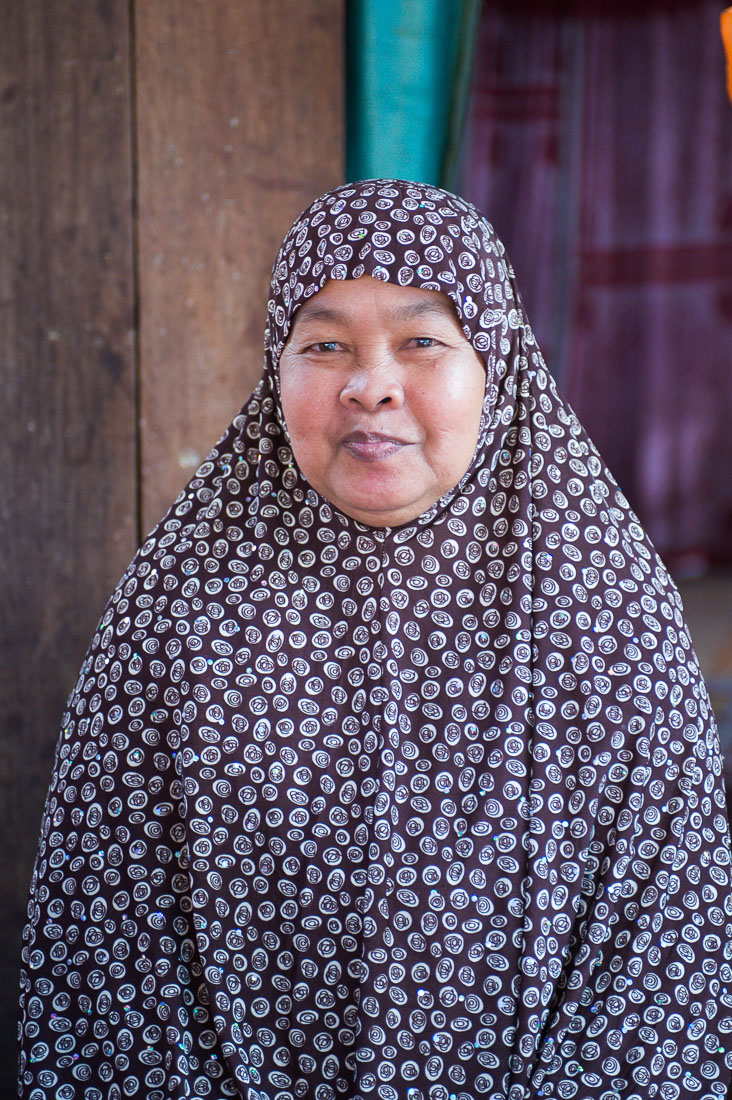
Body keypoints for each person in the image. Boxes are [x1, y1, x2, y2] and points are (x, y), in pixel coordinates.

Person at [17, 179, 732, 1100]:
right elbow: (101, 967)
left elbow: (661, 976)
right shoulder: (173, 619)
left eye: (422, 340)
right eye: (323, 345)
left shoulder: (610, 621)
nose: (369, 385)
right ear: (278, 370)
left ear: (498, 367)